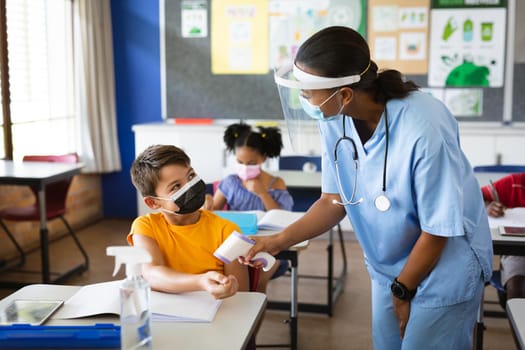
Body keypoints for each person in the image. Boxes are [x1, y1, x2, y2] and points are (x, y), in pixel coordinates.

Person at [243, 26, 493, 349]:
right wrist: (277, 241)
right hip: (389, 265)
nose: (303, 99)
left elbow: (438, 230)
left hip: (445, 268)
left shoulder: (424, 127)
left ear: (344, 93)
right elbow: (334, 201)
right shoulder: (334, 118)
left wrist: (403, 290)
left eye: (307, 92)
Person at [128, 144, 249, 299]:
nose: (189, 187)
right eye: (176, 186)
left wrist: (229, 287)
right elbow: (151, 272)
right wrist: (200, 281)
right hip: (167, 314)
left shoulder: (226, 229)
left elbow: (242, 294)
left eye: (191, 176)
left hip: (218, 312)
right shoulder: (145, 227)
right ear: (153, 203)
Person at [204, 122, 293, 292]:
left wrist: (263, 194)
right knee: (236, 283)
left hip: (269, 246)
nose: (244, 167)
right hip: (236, 244)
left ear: (263, 158)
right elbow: (212, 211)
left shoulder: (276, 183)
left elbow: (284, 218)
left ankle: (256, 313)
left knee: (259, 283)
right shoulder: (230, 182)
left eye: (251, 162)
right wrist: (207, 200)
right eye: (240, 162)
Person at [481, 173, 525, 300]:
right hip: (519, 253)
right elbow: (475, 198)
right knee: (519, 287)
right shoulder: (515, 183)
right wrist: (487, 207)